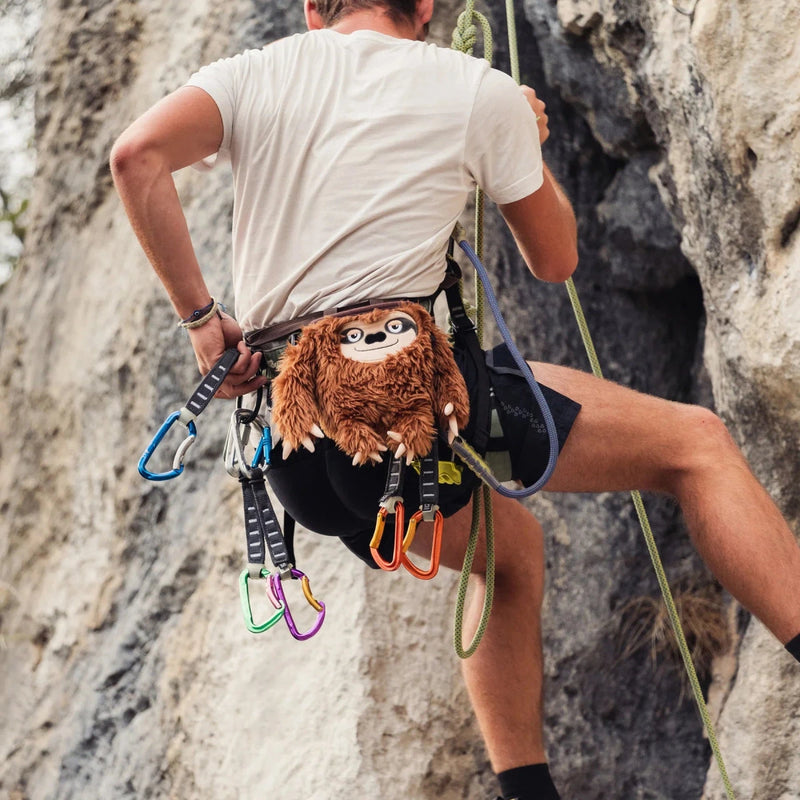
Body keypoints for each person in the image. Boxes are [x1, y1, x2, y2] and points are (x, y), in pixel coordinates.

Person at [109, 0, 800, 797]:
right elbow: (555, 259)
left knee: (509, 557)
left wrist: (202, 322)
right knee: (696, 445)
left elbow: (136, 156)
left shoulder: (249, 77)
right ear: (428, 8)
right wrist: (522, 144)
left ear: (310, 10)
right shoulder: (474, 87)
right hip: (411, 427)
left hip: (296, 455)